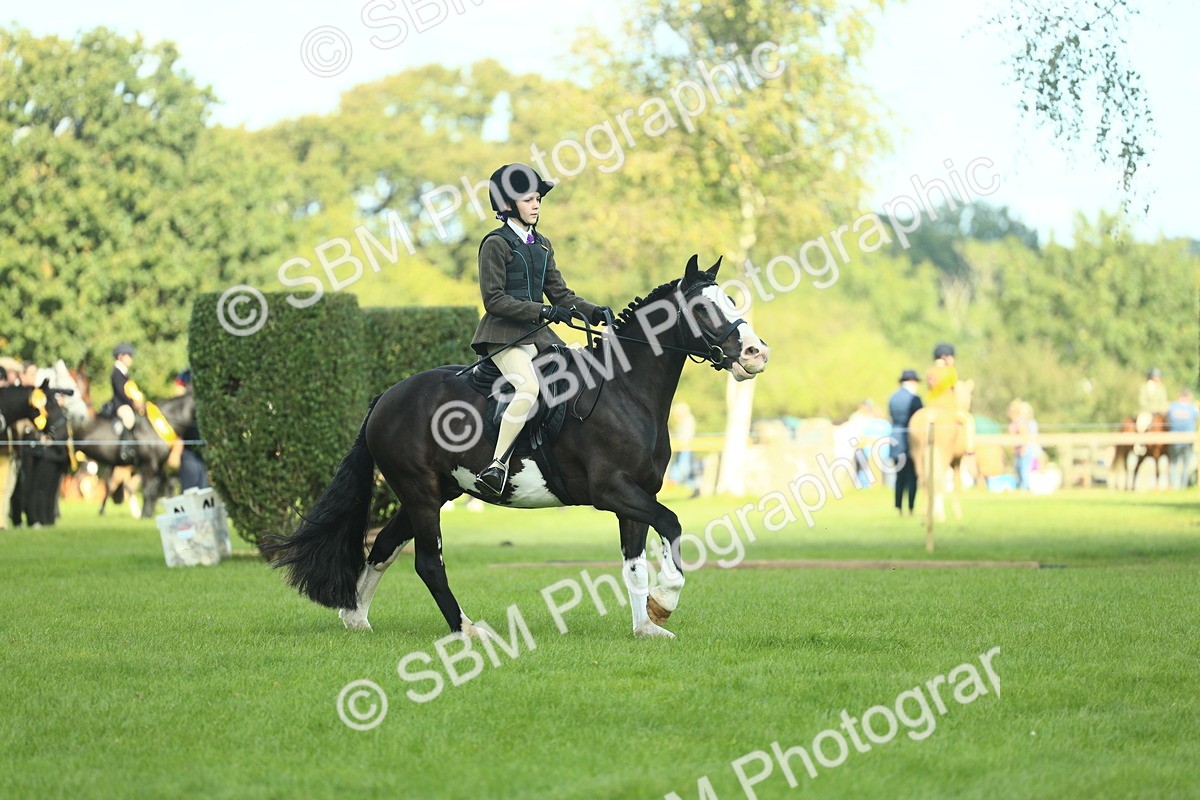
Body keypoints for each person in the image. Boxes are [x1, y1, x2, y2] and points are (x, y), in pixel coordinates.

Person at [470, 163, 609, 495]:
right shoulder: (495, 243)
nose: (535, 206)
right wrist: (544, 310)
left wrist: (593, 311)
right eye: (528, 200)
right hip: (504, 336)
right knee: (528, 387)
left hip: (538, 336)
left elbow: (561, 294)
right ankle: (497, 465)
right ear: (507, 205)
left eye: (538, 200)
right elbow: (494, 299)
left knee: (578, 375)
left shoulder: (542, 244)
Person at [925, 342, 975, 454]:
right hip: (947, 407)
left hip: (930, 407)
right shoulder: (950, 370)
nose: (953, 360)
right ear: (944, 357)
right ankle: (970, 449)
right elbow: (956, 389)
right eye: (951, 357)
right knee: (969, 420)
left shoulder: (930, 371)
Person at [888, 369, 923, 515]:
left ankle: (898, 507)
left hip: (895, 439)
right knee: (911, 477)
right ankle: (910, 507)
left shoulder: (893, 398)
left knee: (899, 477)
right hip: (910, 440)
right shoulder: (914, 399)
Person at [110, 343, 145, 463]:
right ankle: (124, 448)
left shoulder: (124, 372)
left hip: (127, 403)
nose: (131, 358)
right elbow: (121, 392)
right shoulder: (116, 373)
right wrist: (133, 404)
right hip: (121, 404)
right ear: (121, 356)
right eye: (128, 356)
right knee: (129, 418)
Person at [176, 369, 210, 491]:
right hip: (190, 452)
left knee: (204, 488)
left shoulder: (201, 402)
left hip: (202, 451)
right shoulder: (184, 404)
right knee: (190, 489)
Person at [1167, 388, 1198, 490]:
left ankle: (1173, 486)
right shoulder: (1192, 408)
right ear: (1188, 397)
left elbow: (1167, 416)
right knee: (1186, 465)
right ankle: (1183, 487)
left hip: (1174, 440)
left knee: (1173, 463)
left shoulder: (1172, 407)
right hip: (1188, 440)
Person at [668, 402, 700, 498]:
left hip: (685, 448)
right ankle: (694, 489)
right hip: (682, 448)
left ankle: (674, 482)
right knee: (687, 471)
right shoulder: (684, 422)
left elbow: (685, 437)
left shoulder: (688, 421)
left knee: (683, 469)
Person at [1135, 368, 1170, 456]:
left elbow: (1163, 401)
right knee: (1141, 423)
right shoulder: (1144, 387)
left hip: (1159, 412)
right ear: (1152, 377)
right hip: (1147, 412)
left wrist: (1161, 409)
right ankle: (1140, 443)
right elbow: (1142, 402)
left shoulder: (1161, 388)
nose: (1158, 378)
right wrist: (1152, 409)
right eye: (1156, 376)